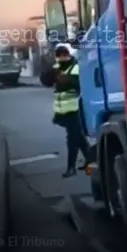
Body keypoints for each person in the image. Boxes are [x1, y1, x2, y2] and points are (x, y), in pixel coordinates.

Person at [42, 44, 89, 178]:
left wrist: (66, 79)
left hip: (75, 109)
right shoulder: (56, 68)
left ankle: (71, 167)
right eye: (59, 55)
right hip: (63, 110)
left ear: (69, 54)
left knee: (72, 139)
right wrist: (49, 72)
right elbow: (45, 81)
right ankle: (92, 160)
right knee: (78, 137)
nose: (62, 58)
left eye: (64, 55)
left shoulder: (76, 66)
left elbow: (80, 83)